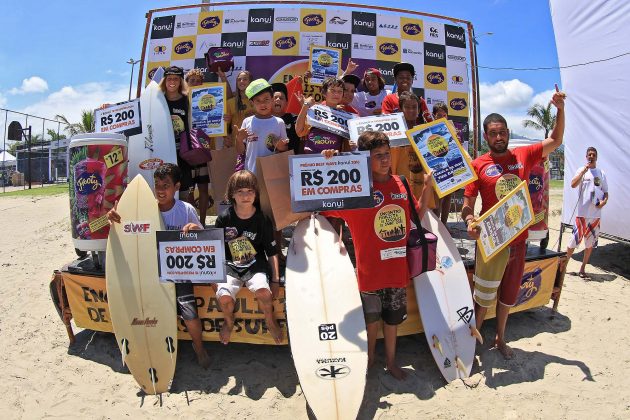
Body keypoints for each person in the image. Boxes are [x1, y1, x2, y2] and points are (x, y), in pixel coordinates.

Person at [462, 89, 566, 359]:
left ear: (508, 132)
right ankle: (473, 343)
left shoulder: (523, 156)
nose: (499, 137)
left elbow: (555, 140)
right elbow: (467, 201)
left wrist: (559, 110)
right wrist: (470, 219)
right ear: (486, 136)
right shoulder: (478, 164)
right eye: (493, 133)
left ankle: (500, 339)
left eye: (503, 132)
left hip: (518, 242)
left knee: (508, 295)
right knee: (483, 298)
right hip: (491, 243)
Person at [321, 131, 434, 380]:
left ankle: (392, 362)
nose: (385, 160)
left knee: (392, 321)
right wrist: (328, 163)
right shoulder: (355, 189)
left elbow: (418, 213)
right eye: (378, 156)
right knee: (371, 321)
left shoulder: (401, 183)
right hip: (369, 270)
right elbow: (323, 204)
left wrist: (426, 187)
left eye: (387, 154)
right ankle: (370, 359)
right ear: (365, 159)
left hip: (396, 269)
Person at [107, 163, 211, 368]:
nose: (161, 190)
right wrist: (114, 218)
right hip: (150, 271)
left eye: (166, 185)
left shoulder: (186, 209)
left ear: (177, 187)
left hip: (179, 271)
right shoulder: (144, 209)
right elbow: (123, 229)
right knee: (148, 311)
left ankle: (198, 347)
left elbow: (203, 241)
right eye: (157, 185)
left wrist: (195, 230)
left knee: (190, 312)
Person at [214, 170, 283, 345]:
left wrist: (275, 280)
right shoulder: (224, 218)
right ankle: (229, 322)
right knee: (224, 296)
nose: (246, 196)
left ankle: (269, 320)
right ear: (232, 194)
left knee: (263, 292)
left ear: (256, 193)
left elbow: (272, 252)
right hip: (230, 265)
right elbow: (215, 250)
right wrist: (214, 277)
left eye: (250, 191)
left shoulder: (262, 219)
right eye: (240, 192)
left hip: (255, 265)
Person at [565, 147, 608, 278]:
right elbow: (572, 184)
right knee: (573, 241)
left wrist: (603, 202)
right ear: (586, 157)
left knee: (589, 245)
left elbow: (606, 192)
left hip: (595, 216)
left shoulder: (601, 173)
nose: (591, 156)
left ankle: (583, 268)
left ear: (596, 157)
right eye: (589, 154)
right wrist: (583, 171)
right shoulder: (581, 170)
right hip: (582, 214)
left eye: (593, 155)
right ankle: (563, 266)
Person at [233, 79, 289, 174]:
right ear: (252, 103)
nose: (262, 104)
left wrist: (281, 146)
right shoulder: (247, 121)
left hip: (272, 174)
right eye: (258, 101)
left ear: (272, 100)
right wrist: (239, 139)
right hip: (250, 172)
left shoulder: (279, 122)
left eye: (266, 99)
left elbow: (285, 149)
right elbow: (240, 151)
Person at [159, 66, 194, 201]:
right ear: (164, 81)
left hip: (182, 150)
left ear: (180, 81)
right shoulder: (158, 99)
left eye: (175, 79)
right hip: (163, 149)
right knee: (164, 183)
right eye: (169, 79)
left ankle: (183, 216)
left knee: (184, 186)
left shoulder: (187, 99)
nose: (172, 82)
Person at [296, 77, 355, 154]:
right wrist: (305, 106)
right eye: (332, 90)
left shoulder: (345, 117)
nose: (336, 94)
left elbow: (347, 147)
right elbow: (299, 132)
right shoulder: (313, 111)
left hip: (334, 161)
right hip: (311, 160)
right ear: (324, 93)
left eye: (340, 91)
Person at [432, 102, 453, 226]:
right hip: (436, 166)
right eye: (439, 115)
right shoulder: (428, 128)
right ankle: (437, 227)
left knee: (448, 196)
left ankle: (444, 225)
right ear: (434, 115)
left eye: (444, 115)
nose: (442, 117)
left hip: (449, 164)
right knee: (437, 198)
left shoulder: (451, 127)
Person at [271, 82, 301, 153]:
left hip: (290, 161)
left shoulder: (295, 118)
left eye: (281, 98)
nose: (278, 100)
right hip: (266, 161)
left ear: (286, 102)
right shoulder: (264, 119)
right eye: (275, 98)